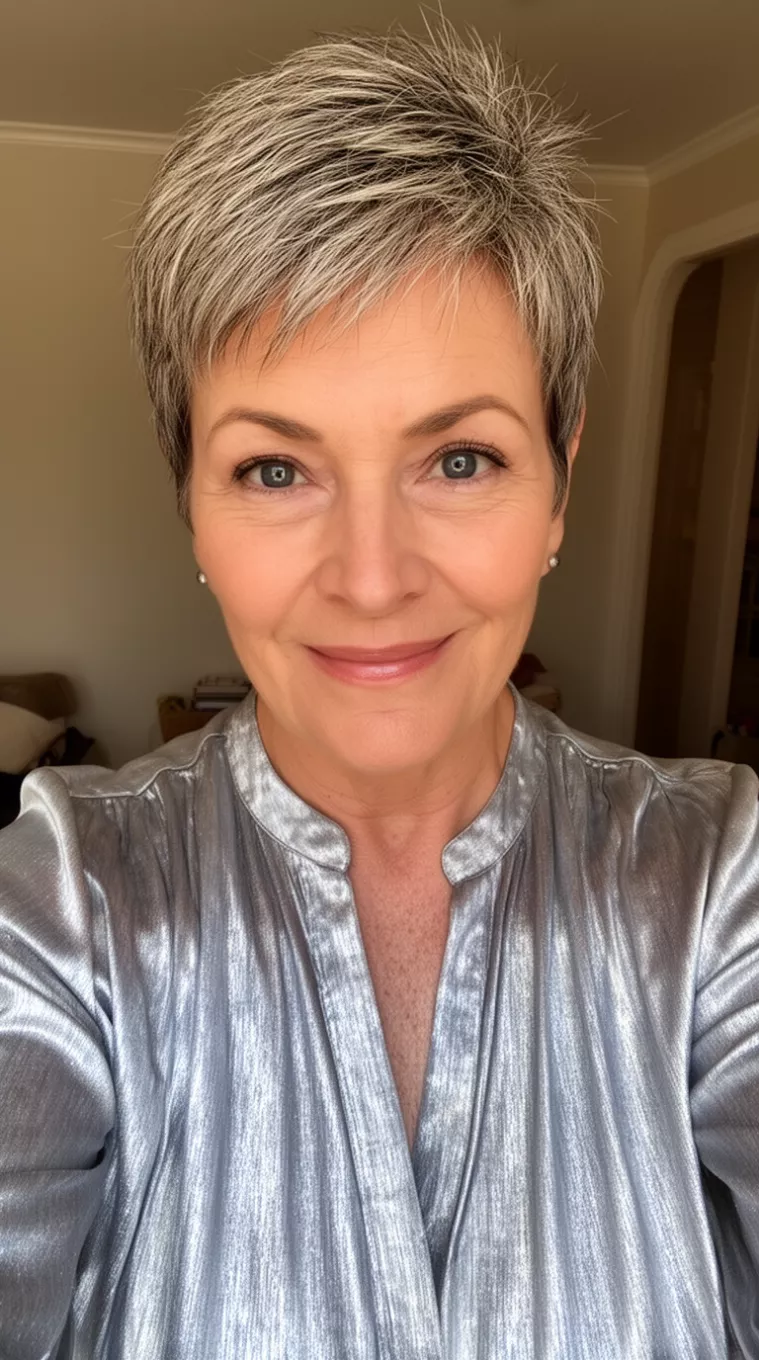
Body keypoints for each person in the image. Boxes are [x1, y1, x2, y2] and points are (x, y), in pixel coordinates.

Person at [1, 20, 758, 1360]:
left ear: (557, 486)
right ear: (192, 504)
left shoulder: (712, 882)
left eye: (458, 460)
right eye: (275, 469)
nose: (370, 578)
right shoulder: (67, 899)